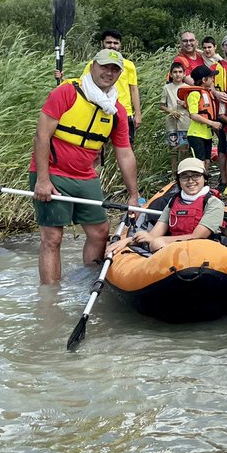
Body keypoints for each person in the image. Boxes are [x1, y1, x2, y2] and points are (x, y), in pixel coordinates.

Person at [30, 48, 139, 284]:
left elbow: (125, 153)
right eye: (104, 67)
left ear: (120, 74)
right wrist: (42, 179)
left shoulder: (117, 111)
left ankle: (87, 285)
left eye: (114, 69)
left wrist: (134, 195)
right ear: (92, 67)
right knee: (52, 237)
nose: (109, 73)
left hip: (85, 176)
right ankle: (51, 300)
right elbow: (41, 135)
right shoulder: (67, 92)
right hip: (53, 172)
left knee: (100, 232)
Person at [111, 157, 226, 256]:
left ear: (204, 178)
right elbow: (153, 235)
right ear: (179, 181)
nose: (190, 181)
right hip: (176, 251)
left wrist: (159, 241)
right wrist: (128, 240)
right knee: (155, 242)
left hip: (204, 251)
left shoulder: (213, 203)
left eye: (196, 176)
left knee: (157, 243)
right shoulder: (173, 201)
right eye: (185, 177)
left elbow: (198, 236)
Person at [75, 30, 142, 141]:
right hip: (99, 109)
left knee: (127, 146)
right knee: (99, 146)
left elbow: (134, 89)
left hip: (124, 112)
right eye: (109, 42)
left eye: (115, 43)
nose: (112, 46)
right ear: (103, 43)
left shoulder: (129, 65)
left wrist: (138, 113)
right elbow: (83, 85)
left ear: (120, 45)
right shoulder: (94, 64)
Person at [182, 65, 223, 179]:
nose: (213, 79)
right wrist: (212, 123)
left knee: (207, 161)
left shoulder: (207, 92)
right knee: (199, 163)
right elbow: (193, 115)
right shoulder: (195, 93)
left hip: (206, 134)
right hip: (196, 134)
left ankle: (205, 184)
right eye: (211, 77)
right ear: (204, 80)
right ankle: (198, 185)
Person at [159, 61, 190, 170]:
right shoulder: (166, 88)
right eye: (175, 72)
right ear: (171, 74)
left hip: (185, 123)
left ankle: (183, 172)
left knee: (184, 150)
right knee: (173, 151)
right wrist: (171, 111)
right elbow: (161, 106)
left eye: (180, 72)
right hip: (171, 123)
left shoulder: (188, 88)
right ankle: (173, 174)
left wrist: (185, 104)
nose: (178, 74)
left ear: (184, 74)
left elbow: (193, 107)